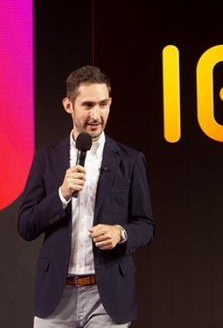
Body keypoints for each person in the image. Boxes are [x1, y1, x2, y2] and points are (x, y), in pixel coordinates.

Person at [17, 65, 155, 327]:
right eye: (88, 105)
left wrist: (120, 233)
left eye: (103, 105)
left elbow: (146, 226)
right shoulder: (46, 159)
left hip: (108, 296)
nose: (96, 115)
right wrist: (61, 194)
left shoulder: (130, 160)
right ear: (68, 105)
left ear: (110, 103)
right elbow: (25, 226)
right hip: (56, 295)